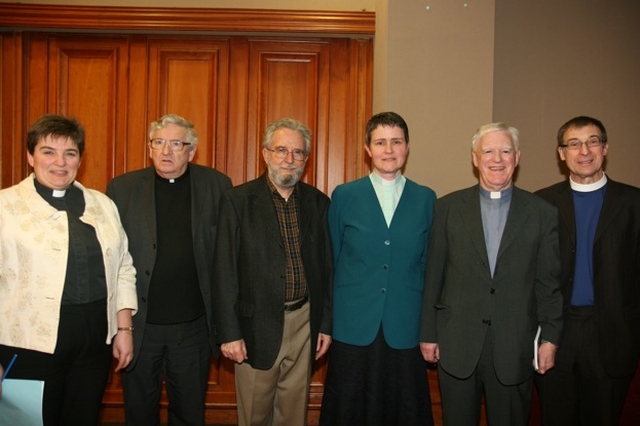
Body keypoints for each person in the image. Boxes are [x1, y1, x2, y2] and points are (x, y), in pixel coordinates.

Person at [419, 122, 563, 425]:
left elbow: (548, 283)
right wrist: (428, 333)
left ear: (517, 156)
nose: (497, 159)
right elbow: (434, 275)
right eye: (488, 151)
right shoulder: (446, 208)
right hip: (457, 342)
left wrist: (550, 337)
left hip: (515, 346)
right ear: (475, 158)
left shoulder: (542, 213)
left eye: (505, 151)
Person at [0, 114, 137, 425]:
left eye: (70, 153)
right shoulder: (4, 207)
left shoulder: (102, 205)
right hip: (26, 343)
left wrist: (124, 329)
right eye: (48, 151)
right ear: (30, 157)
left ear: (79, 159)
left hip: (93, 340)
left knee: (82, 417)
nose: (60, 162)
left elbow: (123, 268)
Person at [106, 114, 232, 425]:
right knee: (138, 411)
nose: (166, 151)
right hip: (140, 325)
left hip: (193, 327)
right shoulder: (122, 189)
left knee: (189, 412)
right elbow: (112, 259)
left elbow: (228, 255)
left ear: (192, 150)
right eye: (159, 142)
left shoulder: (218, 185)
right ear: (150, 148)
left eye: (176, 143)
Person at [213, 117, 333, 426]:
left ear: (306, 159)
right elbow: (224, 270)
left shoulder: (319, 203)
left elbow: (327, 269)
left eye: (298, 152)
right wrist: (230, 333)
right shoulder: (237, 201)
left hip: (305, 323)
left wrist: (325, 324)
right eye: (281, 150)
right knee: (255, 416)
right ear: (266, 154)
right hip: (255, 327)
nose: (289, 159)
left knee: (293, 417)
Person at [319, 111, 436, 426]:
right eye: (380, 142)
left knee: (403, 407)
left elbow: (428, 266)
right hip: (353, 322)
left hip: (404, 322)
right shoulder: (344, 195)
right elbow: (333, 262)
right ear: (367, 149)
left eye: (396, 142)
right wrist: (326, 324)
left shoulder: (426, 199)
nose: (388, 150)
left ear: (407, 148)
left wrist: (429, 328)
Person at [534, 116, 640, 425]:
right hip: (557, 331)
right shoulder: (541, 203)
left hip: (612, 333)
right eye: (574, 143)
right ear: (561, 152)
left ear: (605, 148)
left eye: (593, 141)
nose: (584, 151)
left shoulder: (634, 203)